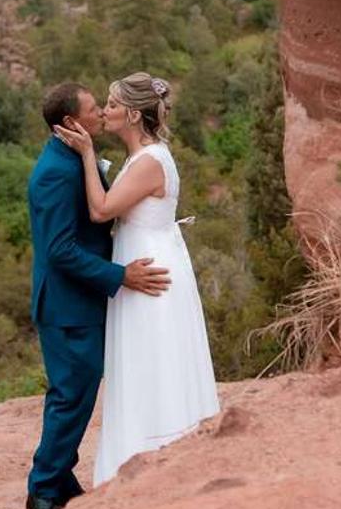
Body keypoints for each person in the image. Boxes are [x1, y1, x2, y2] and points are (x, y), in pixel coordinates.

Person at [53, 72, 219, 485]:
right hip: (143, 263)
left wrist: (88, 155)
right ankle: (150, 453)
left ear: (129, 113)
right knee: (146, 358)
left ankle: (161, 456)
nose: (104, 112)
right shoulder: (144, 155)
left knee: (155, 358)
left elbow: (101, 210)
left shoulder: (149, 161)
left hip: (148, 272)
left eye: (110, 105)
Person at [24, 82, 170, 509]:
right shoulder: (56, 171)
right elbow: (60, 250)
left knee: (79, 394)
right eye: (93, 109)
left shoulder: (71, 158)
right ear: (70, 124)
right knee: (71, 396)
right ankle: (43, 492)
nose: (101, 114)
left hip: (80, 302)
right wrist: (119, 275)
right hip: (67, 305)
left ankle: (62, 481)